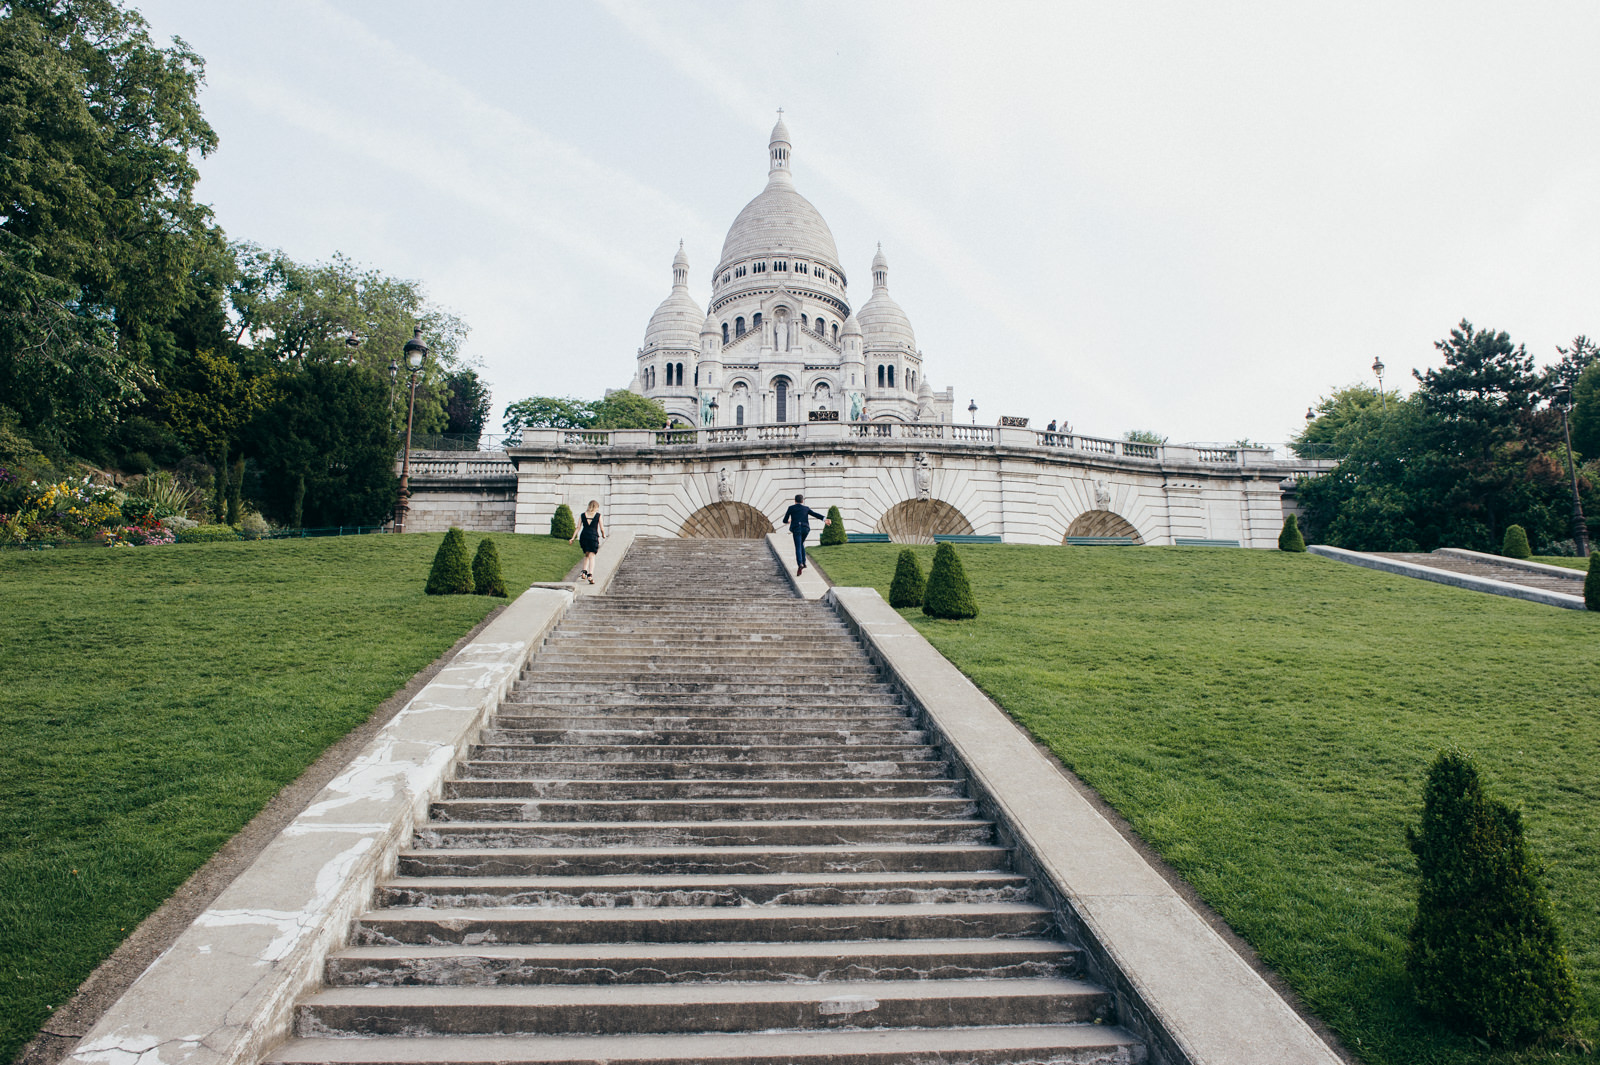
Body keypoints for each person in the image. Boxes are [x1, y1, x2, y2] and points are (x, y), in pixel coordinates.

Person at [781, 493, 830, 576]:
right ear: (802, 501)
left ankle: (800, 564)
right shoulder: (806, 508)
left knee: (798, 546)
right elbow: (815, 514)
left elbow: (784, 520)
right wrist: (824, 519)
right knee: (801, 544)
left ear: (795, 501)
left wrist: (789, 521)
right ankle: (804, 562)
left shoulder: (791, 508)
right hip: (805, 529)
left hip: (797, 529)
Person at [569, 499, 605, 584]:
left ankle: (584, 572)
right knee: (592, 556)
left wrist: (573, 538)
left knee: (587, 554)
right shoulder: (598, 516)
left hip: (584, 536)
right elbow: (602, 528)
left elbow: (578, 527)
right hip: (593, 537)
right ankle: (590, 574)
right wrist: (603, 535)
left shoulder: (582, 515)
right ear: (596, 507)